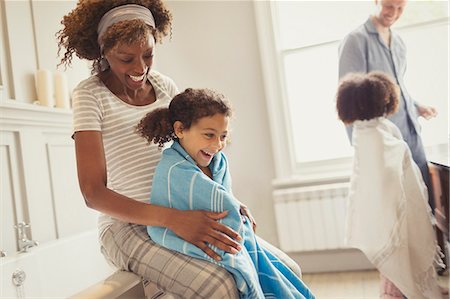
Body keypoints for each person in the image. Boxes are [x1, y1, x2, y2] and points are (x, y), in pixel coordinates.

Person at [57, 1, 301, 297]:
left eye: (148, 55)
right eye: (126, 58)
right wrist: (172, 219)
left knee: (288, 269)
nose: (140, 68)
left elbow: (192, 151)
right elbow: (93, 193)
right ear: (104, 52)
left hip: (182, 209)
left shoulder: (163, 86)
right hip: (125, 227)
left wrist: (226, 199)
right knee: (222, 286)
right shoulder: (89, 95)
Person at [136, 88, 315, 299]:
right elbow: (198, 205)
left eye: (223, 136)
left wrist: (235, 206)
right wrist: (231, 213)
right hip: (193, 238)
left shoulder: (218, 162)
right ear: (180, 129)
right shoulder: (173, 170)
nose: (218, 145)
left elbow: (224, 199)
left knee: (287, 270)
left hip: (235, 238)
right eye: (209, 135)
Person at [336, 71, 444, 299]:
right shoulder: (376, 133)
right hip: (392, 208)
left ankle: (403, 291)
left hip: (383, 208)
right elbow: (389, 172)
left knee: (395, 262)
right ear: (383, 101)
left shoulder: (364, 132)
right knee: (398, 258)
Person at [338, 0, 438, 210]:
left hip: (411, 135)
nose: (394, 13)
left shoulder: (399, 43)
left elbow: (397, 87)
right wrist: (362, 150)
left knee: (424, 206)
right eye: (389, 6)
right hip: (384, 143)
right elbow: (349, 100)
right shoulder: (356, 41)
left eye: (400, 8)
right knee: (396, 212)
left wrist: (417, 106)